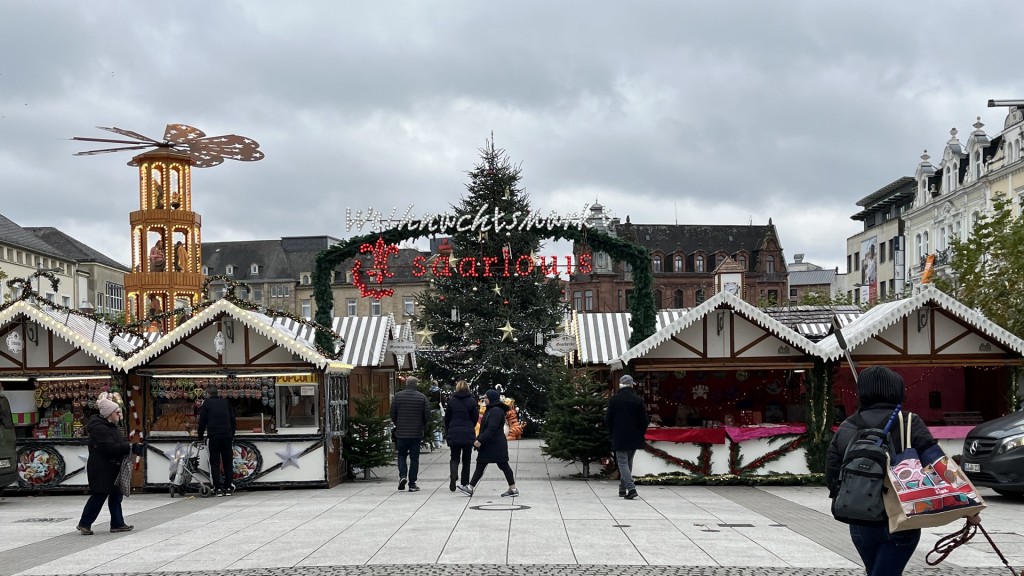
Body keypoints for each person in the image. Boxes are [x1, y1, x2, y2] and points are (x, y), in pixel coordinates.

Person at [826, 366, 980, 576]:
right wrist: (970, 508)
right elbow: (940, 467)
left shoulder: (847, 426)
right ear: (896, 390)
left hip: (860, 522)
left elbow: (832, 476)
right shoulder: (909, 423)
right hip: (902, 520)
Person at [77, 392, 144, 535]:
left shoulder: (110, 426)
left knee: (115, 496)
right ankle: (84, 523)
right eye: (116, 412)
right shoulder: (100, 428)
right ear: (109, 413)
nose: (119, 414)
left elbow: (118, 443)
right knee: (99, 496)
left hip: (111, 467)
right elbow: (110, 447)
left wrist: (132, 446)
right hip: (102, 469)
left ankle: (117, 524)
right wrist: (130, 447)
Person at [458, 389, 519, 498]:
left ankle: (513, 489)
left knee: (503, 465)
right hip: (490, 444)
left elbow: (491, 428)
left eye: (486, 398)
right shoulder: (491, 409)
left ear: (491, 398)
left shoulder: (496, 411)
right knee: (481, 465)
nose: (484, 400)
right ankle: (470, 488)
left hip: (495, 444)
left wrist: (479, 440)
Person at [605, 374, 650, 500]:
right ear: (631, 385)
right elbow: (644, 420)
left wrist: (612, 432)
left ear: (620, 385)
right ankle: (622, 488)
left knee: (622, 463)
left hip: (619, 435)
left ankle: (631, 488)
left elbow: (608, 419)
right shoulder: (638, 400)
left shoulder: (614, 400)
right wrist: (640, 432)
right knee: (628, 462)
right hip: (634, 436)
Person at [390, 376, 430, 492]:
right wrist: (422, 425)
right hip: (416, 433)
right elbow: (427, 415)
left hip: (402, 433)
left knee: (401, 455)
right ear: (416, 384)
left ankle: (403, 476)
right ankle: (412, 483)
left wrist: (398, 423)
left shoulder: (398, 396)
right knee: (414, 458)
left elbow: (392, 412)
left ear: (406, 384)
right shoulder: (422, 397)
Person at [198, 386, 237, 496]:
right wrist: (232, 433)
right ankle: (228, 487)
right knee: (227, 461)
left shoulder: (207, 404)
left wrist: (200, 436)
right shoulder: (226, 402)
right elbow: (233, 419)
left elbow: (202, 421)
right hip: (227, 436)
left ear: (208, 394)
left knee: (214, 462)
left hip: (214, 436)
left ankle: (217, 488)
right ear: (217, 393)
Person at [444, 380, 478, 492]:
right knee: (466, 459)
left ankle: (453, 476)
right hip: (467, 432)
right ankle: (465, 482)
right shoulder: (471, 401)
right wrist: (470, 425)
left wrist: (448, 429)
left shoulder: (452, 401)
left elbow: (447, 417)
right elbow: (475, 417)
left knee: (454, 457)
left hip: (454, 431)